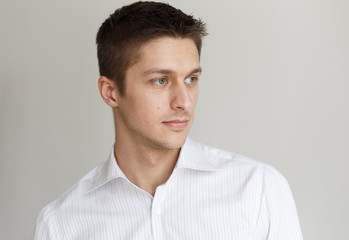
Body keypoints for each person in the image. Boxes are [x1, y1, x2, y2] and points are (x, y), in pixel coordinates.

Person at [34, 1, 303, 239]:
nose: (183, 101)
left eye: (191, 79)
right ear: (111, 92)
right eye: (160, 80)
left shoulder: (258, 189)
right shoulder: (62, 224)